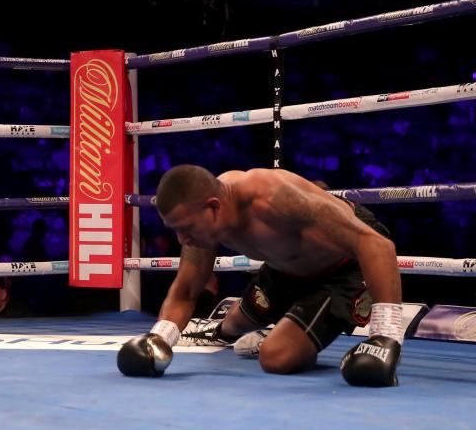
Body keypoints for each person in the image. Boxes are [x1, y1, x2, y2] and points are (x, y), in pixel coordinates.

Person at [117, 165, 403, 387]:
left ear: (214, 207)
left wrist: (386, 337)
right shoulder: (202, 221)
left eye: (186, 228)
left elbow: (376, 244)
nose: (182, 238)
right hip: (285, 267)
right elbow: (185, 291)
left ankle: (297, 332)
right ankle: (267, 326)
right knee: (233, 322)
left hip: (340, 269)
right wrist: (158, 339)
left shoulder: (274, 199)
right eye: (174, 229)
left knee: (276, 357)